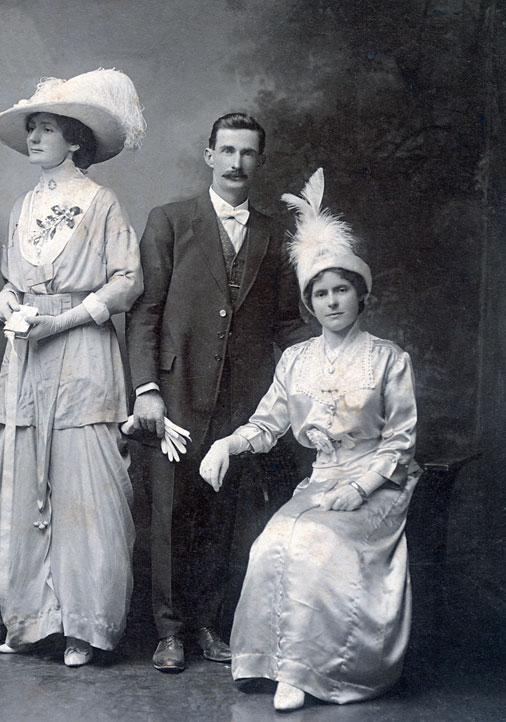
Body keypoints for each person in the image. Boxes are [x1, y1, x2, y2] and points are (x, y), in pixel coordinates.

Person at [200, 168, 421, 711]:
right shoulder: (296, 360)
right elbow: (269, 423)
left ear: (360, 295)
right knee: (274, 542)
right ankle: (269, 664)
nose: (331, 301)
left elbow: (401, 440)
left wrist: (364, 487)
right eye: (320, 293)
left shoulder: (389, 358)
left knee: (319, 543)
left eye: (341, 289)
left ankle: (314, 672)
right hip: (321, 481)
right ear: (309, 302)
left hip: (379, 485)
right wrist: (227, 443)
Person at [125, 113, 307, 673]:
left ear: (259, 161)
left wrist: (335, 354)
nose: (235, 163)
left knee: (224, 515)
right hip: (176, 396)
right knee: (170, 514)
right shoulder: (170, 221)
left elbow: (286, 324)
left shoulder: (275, 233)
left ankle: (208, 623)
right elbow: (144, 314)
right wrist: (147, 390)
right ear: (208, 156)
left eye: (247, 153)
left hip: (243, 400)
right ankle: (168, 632)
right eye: (226, 151)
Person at [0, 69, 146, 667]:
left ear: (74, 139)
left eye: (45, 128)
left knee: (84, 483)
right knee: (21, 475)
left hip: (80, 350)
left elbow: (127, 280)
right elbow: (10, 280)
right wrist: (7, 302)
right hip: (26, 354)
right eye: (30, 128)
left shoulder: (103, 203)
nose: (33, 137)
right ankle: (29, 620)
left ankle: (84, 625)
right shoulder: (23, 205)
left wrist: (68, 317)